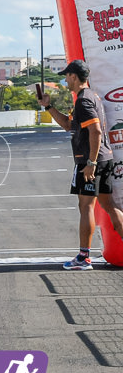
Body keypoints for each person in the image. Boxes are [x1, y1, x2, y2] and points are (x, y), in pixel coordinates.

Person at [38, 59, 123, 270]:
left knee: (86, 207)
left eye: (67, 76)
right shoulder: (90, 96)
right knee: (109, 206)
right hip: (102, 159)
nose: (66, 79)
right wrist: (48, 106)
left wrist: (91, 163)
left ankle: (84, 258)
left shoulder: (84, 100)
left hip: (90, 162)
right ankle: (84, 256)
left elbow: (95, 131)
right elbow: (69, 125)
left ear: (74, 77)